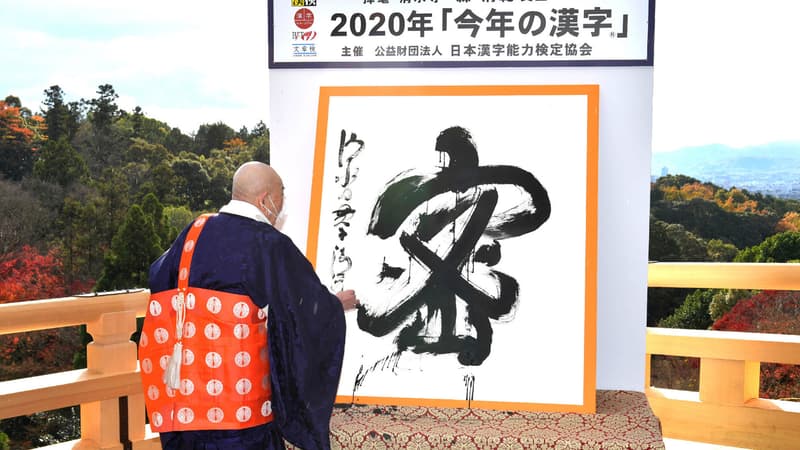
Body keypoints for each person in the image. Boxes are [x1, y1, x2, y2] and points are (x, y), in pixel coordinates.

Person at [139, 161, 357, 450]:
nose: (281, 206)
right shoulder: (267, 242)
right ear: (265, 199)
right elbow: (304, 307)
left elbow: (160, 277)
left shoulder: (194, 231)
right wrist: (335, 305)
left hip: (185, 404)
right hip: (237, 406)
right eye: (281, 196)